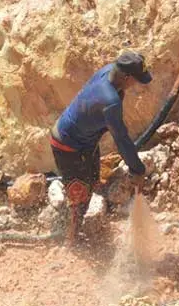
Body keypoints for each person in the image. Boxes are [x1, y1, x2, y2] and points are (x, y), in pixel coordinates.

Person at [49, 51, 152, 245]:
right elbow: (121, 139)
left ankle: (78, 225)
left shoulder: (108, 72)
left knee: (92, 181)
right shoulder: (110, 101)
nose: (136, 85)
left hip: (84, 141)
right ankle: (71, 241)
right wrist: (137, 169)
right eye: (136, 80)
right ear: (127, 77)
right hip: (67, 145)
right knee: (80, 196)